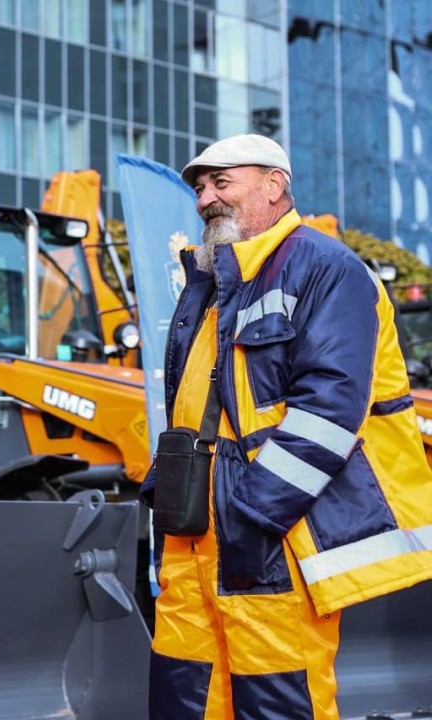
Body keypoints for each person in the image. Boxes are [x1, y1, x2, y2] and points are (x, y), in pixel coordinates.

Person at [141, 133, 432, 719]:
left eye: (222, 183)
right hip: (195, 533)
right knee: (184, 694)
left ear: (275, 185)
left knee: (276, 698)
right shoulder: (213, 284)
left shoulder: (326, 269)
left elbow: (330, 410)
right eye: (200, 188)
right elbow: (197, 406)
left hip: (268, 533)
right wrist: (163, 494)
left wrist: (255, 514)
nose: (205, 199)